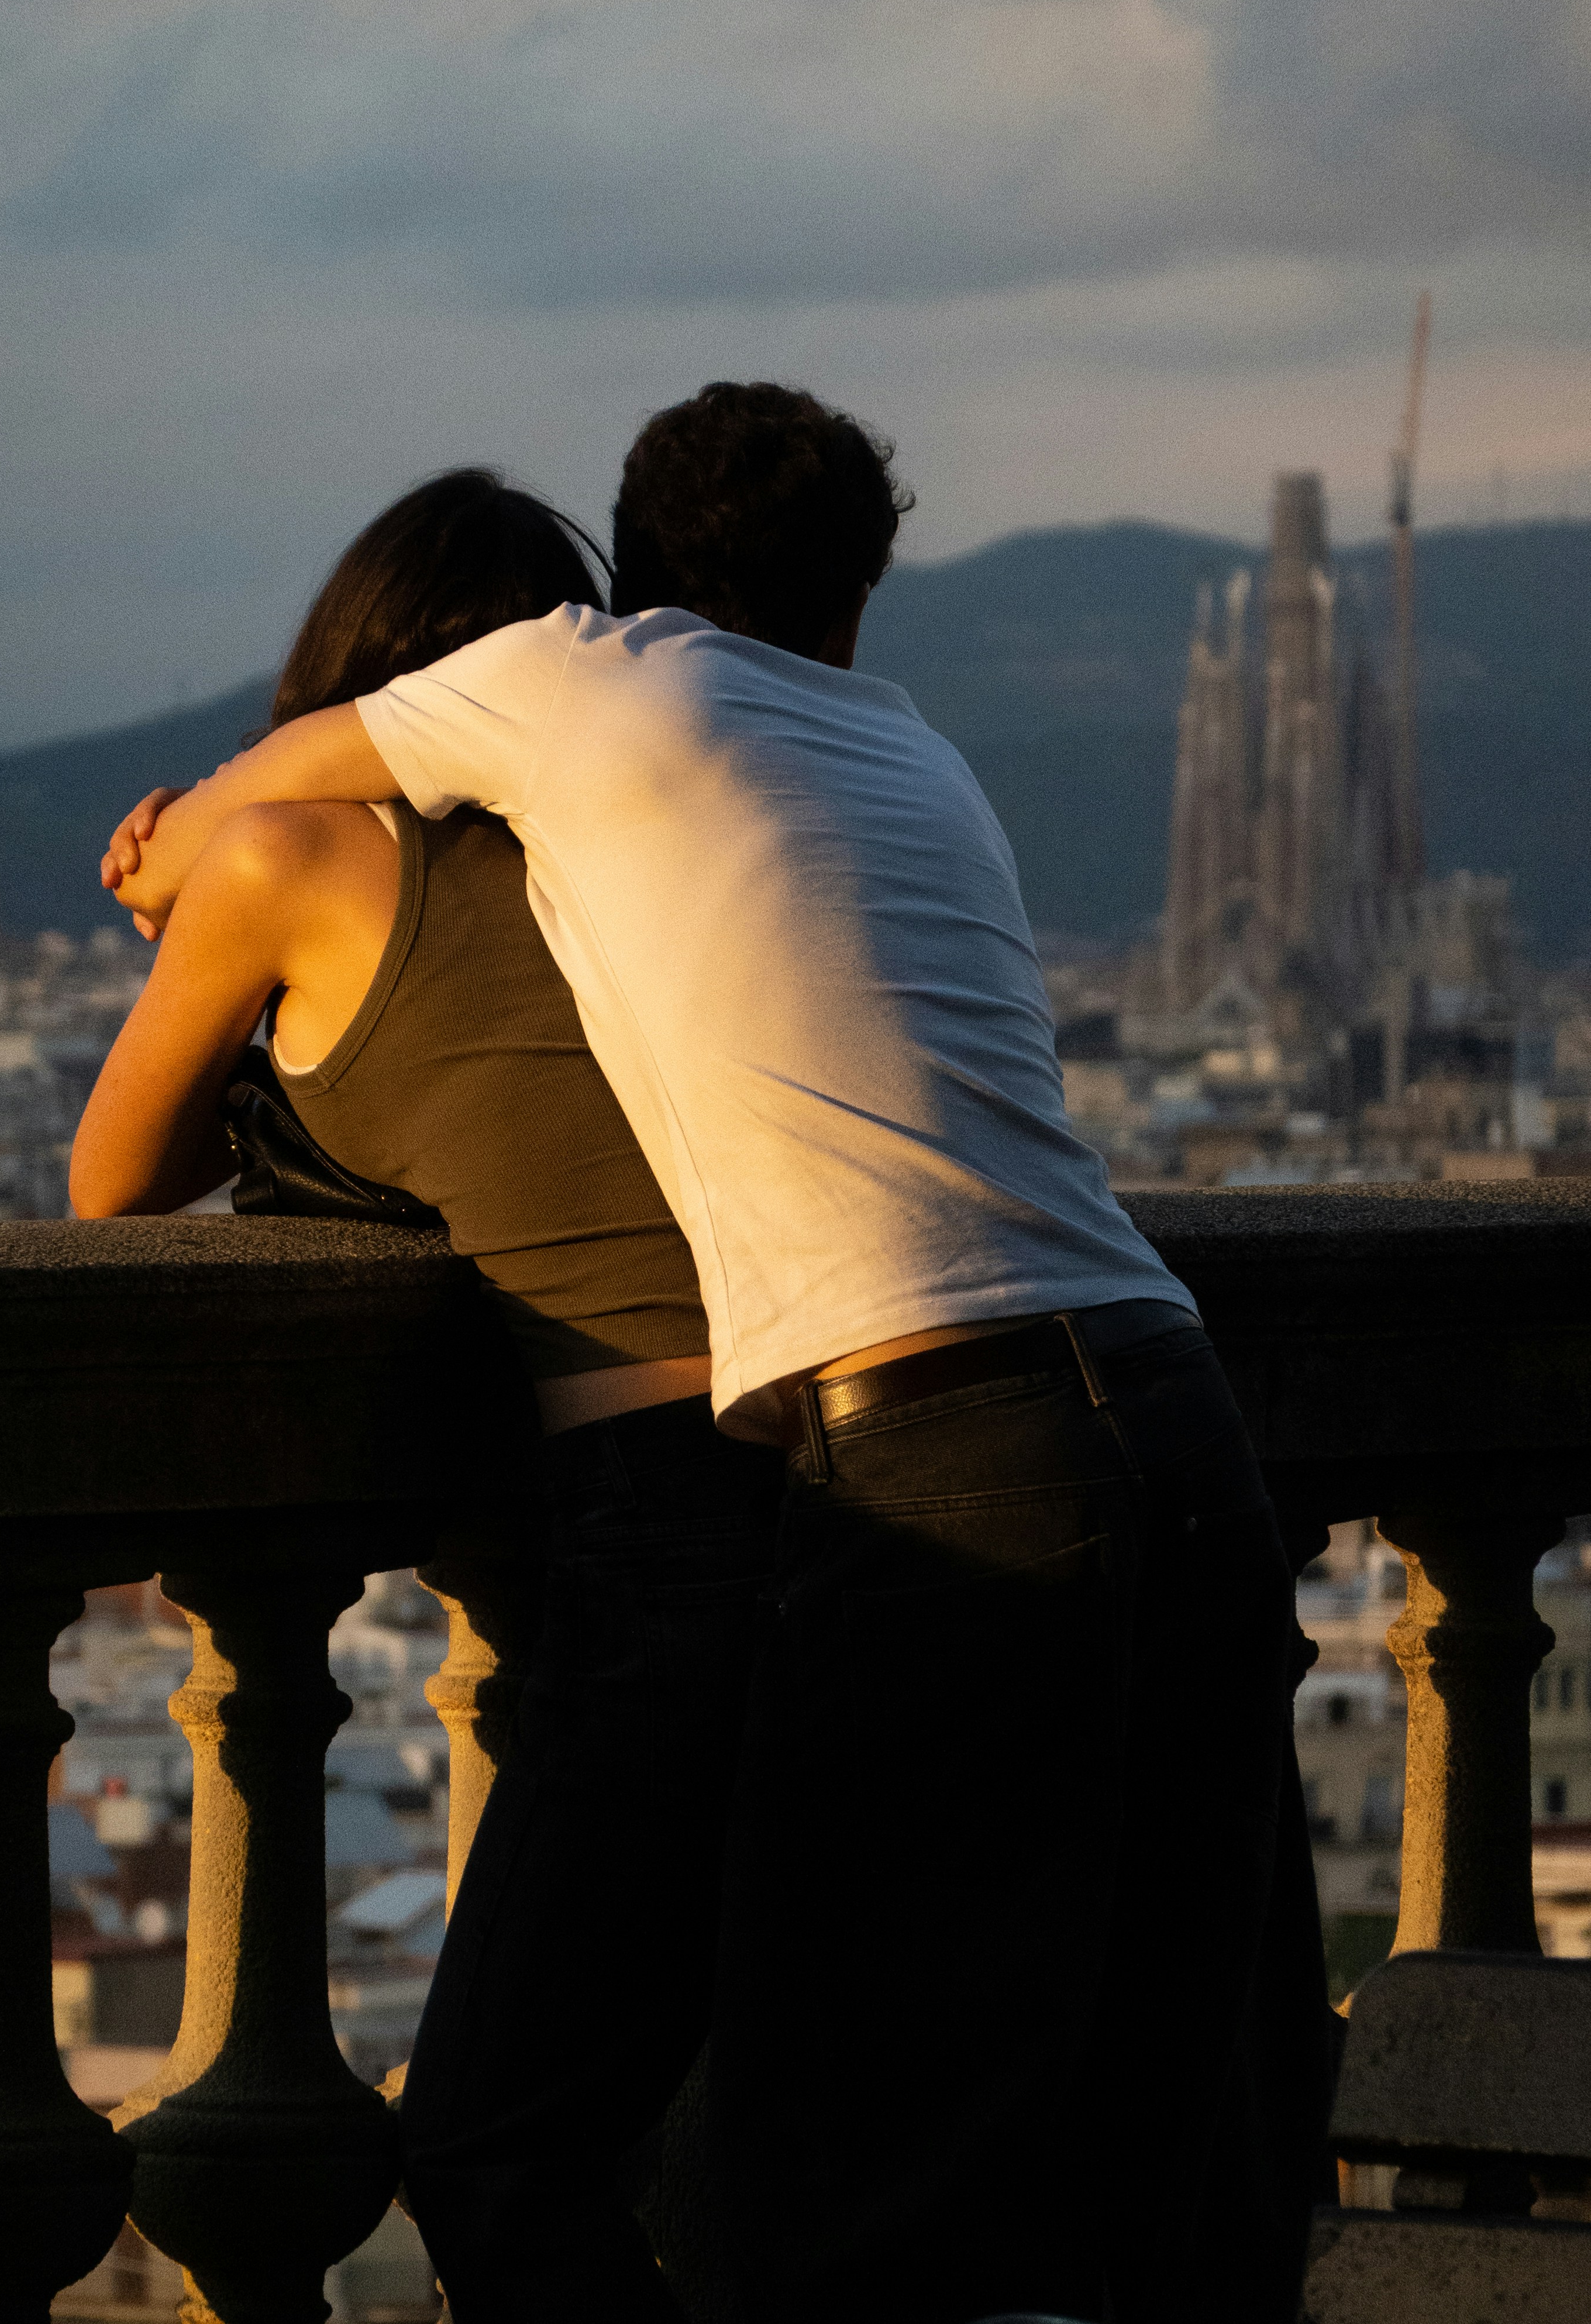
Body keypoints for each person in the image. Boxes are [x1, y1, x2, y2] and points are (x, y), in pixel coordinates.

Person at [101, 387, 1331, 2323]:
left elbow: (266, 797)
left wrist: (165, 849)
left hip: (942, 1460)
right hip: (1185, 1429)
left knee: (853, 2181)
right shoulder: (910, 745)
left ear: (635, 583)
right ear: (861, 594)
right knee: (1185, 2152)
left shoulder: (591, 684)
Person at [73, 470, 781, 2324]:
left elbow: (110, 1181)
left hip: (665, 1528)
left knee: (497, 2152)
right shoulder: (639, 870)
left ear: (343, 686)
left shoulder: (290, 862)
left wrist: (221, 928)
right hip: (882, 1463)